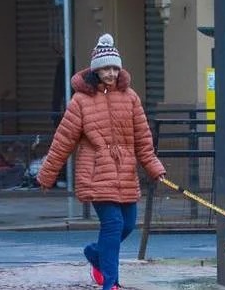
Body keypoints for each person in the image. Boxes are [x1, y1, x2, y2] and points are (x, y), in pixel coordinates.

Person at [36, 33, 166, 290]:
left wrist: (154, 168)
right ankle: (111, 283)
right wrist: (47, 175)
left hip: (126, 172)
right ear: (96, 70)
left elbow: (143, 139)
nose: (111, 73)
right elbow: (63, 141)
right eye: (106, 68)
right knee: (113, 224)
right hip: (96, 174)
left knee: (127, 225)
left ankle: (96, 254)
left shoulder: (131, 98)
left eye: (115, 67)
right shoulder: (80, 101)